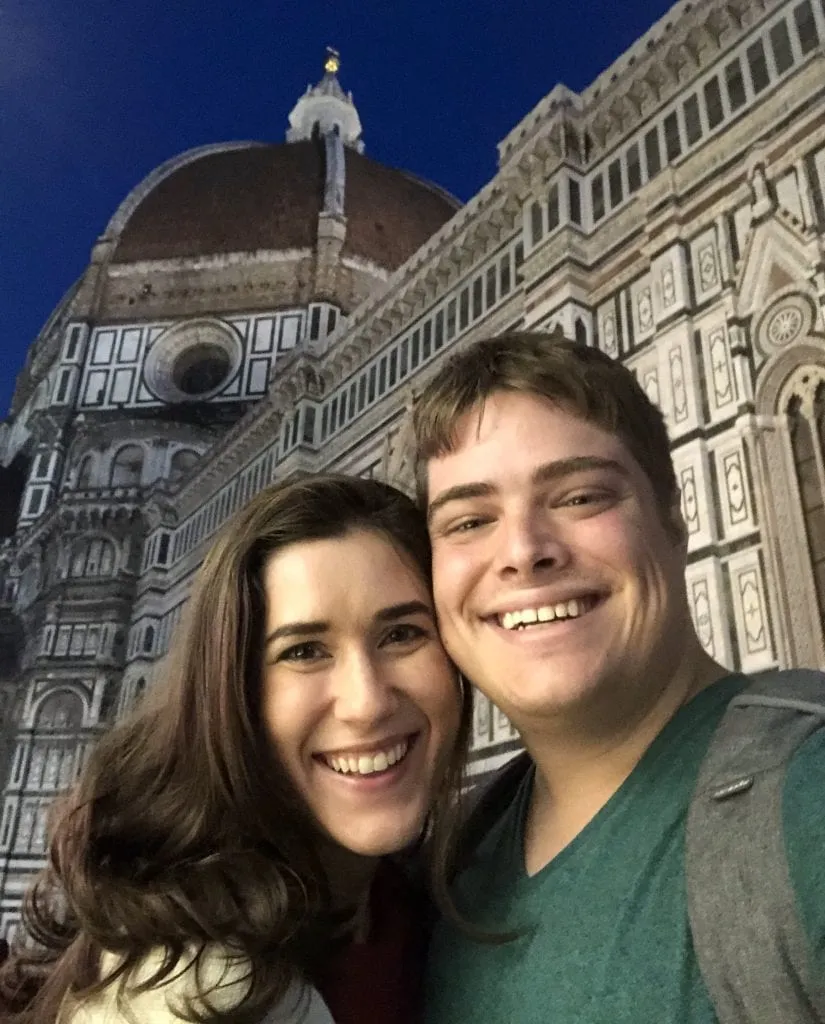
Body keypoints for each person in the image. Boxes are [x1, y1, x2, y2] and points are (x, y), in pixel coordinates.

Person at [413, 331, 825, 1023]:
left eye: (578, 497)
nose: (522, 551)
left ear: (671, 517)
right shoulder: (440, 877)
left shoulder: (805, 796)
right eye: (470, 520)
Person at [0, 475, 469, 1024]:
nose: (366, 703)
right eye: (304, 651)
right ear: (232, 693)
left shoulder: (410, 898)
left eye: (402, 634)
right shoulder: (197, 994)